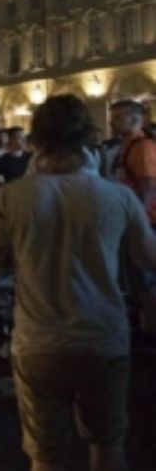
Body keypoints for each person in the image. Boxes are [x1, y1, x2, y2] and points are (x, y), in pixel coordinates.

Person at [0, 95, 156, 471]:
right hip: (103, 338)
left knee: (47, 456)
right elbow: (150, 260)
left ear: (37, 140)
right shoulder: (117, 197)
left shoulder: (14, 197)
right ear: (87, 138)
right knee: (106, 444)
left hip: (38, 342)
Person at [109, 98, 156, 332]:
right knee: (139, 281)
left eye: (118, 117)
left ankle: (150, 332)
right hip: (136, 221)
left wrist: (137, 223)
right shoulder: (125, 147)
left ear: (136, 120)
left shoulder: (142, 147)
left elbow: (148, 187)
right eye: (112, 117)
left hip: (146, 223)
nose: (112, 122)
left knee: (146, 279)